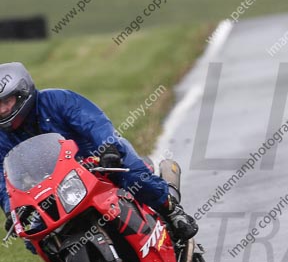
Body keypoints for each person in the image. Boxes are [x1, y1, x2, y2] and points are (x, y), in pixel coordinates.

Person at [0, 62, 197, 244]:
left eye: (6, 101)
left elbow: (94, 123)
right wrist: (12, 209)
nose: (2, 110)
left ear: (22, 92)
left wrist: (108, 147)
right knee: (35, 235)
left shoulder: (59, 100)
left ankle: (172, 211)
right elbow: (2, 176)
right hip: (55, 186)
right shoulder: (2, 136)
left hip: (99, 161)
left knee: (135, 178)